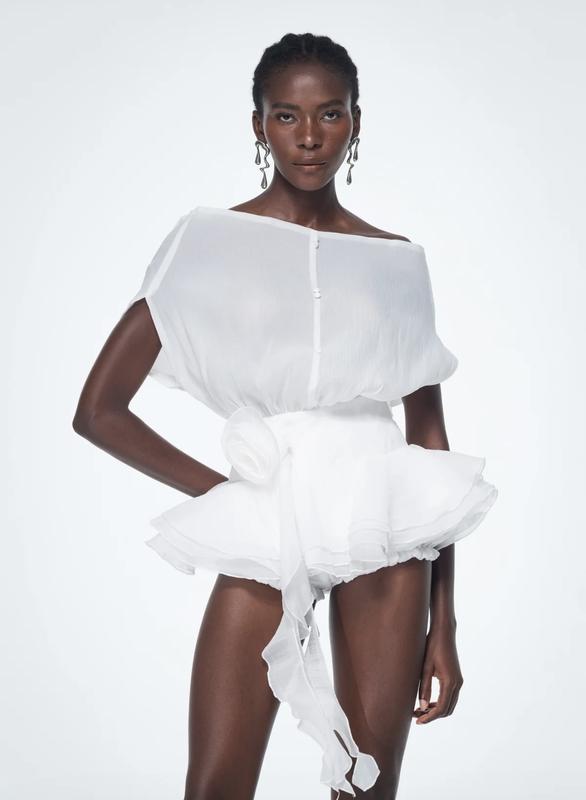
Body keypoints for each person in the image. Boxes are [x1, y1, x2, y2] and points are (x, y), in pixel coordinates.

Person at [73, 32, 498, 800]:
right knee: (215, 786)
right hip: (269, 522)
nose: (308, 137)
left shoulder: (397, 261)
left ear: (355, 122)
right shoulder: (208, 242)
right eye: (286, 116)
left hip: (382, 520)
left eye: (330, 114)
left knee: (366, 792)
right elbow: (99, 410)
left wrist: (447, 624)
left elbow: (431, 449)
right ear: (258, 124)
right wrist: (229, 495)